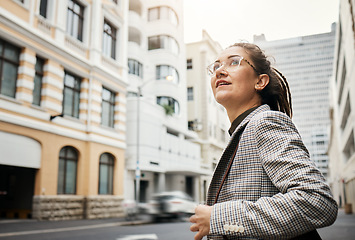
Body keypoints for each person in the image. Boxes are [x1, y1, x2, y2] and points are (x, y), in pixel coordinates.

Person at [189, 42, 338, 240]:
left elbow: (316, 201)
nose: (220, 71)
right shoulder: (240, 133)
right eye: (215, 66)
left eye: (234, 62)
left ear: (260, 82)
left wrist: (218, 217)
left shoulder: (265, 122)